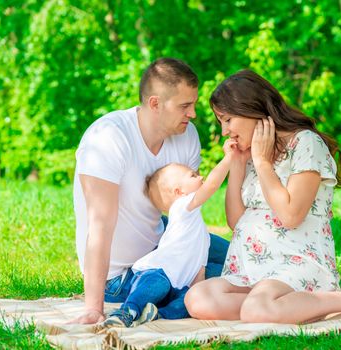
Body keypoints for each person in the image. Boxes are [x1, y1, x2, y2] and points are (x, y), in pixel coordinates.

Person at [184, 70, 341, 323]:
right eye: (221, 122)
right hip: (251, 268)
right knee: (198, 299)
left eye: (227, 120)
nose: (225, 131)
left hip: (296, 263)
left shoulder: (306, 143)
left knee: (255, 310)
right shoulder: (249, 153)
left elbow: (291, 215)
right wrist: (237, 165)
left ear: (252, 109)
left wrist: (262, 163)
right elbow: (236, 222)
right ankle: (280, 306)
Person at [71, 58, 229, 324]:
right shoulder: (107, 138)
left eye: (193, 104)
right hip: (124, 273)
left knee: (245, 254)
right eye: (184, 106)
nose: (193, 114)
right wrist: (93, 309)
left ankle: (296, 277)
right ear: (155, 104)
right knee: (229, 276)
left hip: (166, 239)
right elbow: (100, 226)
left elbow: (188, 208)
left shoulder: (186, 135)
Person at [100, 140, 236, 328]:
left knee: (187, 303)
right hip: (157, 271)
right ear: (179, 192)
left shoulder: (201, 235)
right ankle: (128, 310)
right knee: (157, 284)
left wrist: (197, 290)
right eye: (193, 175)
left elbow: (200, 269)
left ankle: (157, 314)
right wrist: (228, 159)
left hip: (180, 284)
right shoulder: (182, 208)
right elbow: (212, 186)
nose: (201, 177)